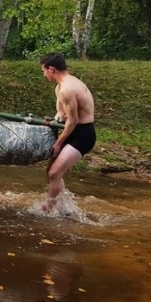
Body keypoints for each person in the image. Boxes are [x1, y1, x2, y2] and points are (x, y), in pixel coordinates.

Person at [40, 53, 95, 210]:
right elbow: (62, 114)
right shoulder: (60, 87)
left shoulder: (68, 89)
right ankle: (63, 206)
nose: (44, 75)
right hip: (70, 131)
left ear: (51, 69)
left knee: (54, 173)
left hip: (83, 135)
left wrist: (58, 143)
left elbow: (73, 121)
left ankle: (49, 208)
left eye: (43, 71)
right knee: (51, 172)